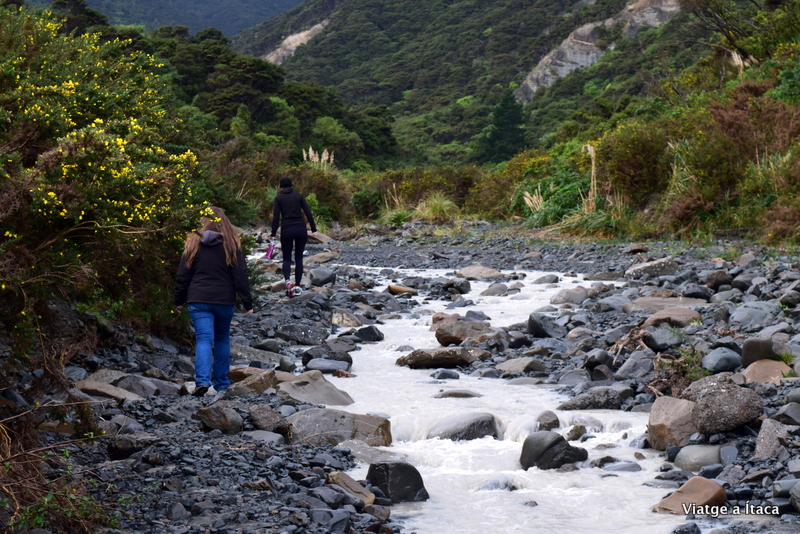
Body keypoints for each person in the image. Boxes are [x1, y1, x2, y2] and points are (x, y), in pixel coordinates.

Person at [174, 206, 253, 397]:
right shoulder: (231, 244)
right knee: (222, 339)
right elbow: (240, 275)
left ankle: (202, 381)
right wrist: (247, 302)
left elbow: (183, 275)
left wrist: (179, 300)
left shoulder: (193, 243)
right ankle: (222, 383)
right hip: (224, 299)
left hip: (198, 298)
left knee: (203, 338)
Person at [270, 177, 317, 297]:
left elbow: (276, 217)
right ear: (291, 185)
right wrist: (313, 229)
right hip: (300, 228)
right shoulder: (298, 196)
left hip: (287, 229)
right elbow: (308, 212)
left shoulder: (279, 198)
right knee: (299, 258)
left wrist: (273, 233)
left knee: (286, 258)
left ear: (280, 186)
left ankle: (287, 280)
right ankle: (297, 286)